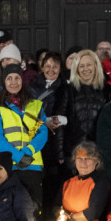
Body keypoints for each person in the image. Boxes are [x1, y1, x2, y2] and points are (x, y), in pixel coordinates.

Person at [0, 64, 48, 206]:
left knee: (34, 209)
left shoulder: (36, 105)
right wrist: (17, 156)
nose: (13, 82)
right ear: (4, 82)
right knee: (11, 209)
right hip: (10, 167)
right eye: (9, 78)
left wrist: (28, 151)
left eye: (17, 78)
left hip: (33, 166)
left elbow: (43, 133)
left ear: (22, 81)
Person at [29, 51, 74, 202]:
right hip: (35, 138)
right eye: (47, 66)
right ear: (41, 67)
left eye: (55, 66)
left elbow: (68, 116)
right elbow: (26, 114)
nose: (51, 70)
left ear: (60, 68)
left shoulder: (65, 88)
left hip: (55, 142)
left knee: (53, 184)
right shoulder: (32, 87)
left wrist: (63, 120)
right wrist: (44, 121)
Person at [68, 49, 111, 148]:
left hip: (99, 147)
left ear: (96, 66)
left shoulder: (107, 90)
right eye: (81, 66)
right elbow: (61, 123)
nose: (85, 69)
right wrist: (60, 153)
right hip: (74, 148)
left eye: (89, 65)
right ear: (76, 68)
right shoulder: (68, 90)